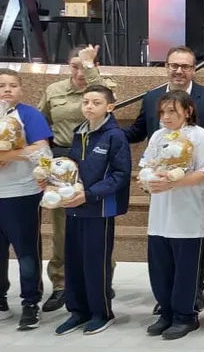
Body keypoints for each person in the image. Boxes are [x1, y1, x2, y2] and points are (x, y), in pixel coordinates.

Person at [124, 45, 204, 313]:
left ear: (193, 69)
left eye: (186, 66)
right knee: (162, 251)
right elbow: (139, 134)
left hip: (192, 189)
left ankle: (192, 295)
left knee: (192, 246)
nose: (179, 70)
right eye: (174, 65)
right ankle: (167, 303)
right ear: (166, 66)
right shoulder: (152, 98)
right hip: (160, 194)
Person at [37, 44, 113, 313]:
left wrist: (91, 66)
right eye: (74, 66)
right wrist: (45, 165)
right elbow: (39, 126)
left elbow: (108, 99)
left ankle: (102, 280)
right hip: (62, 164)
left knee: (97, 228)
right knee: (62, 228)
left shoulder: (102, 85)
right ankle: (61, 285)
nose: (80, 72)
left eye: (85, 65)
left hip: (95, 163)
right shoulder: (54, 91)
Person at [52, 85, 130, 336]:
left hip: (99, 210)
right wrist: (56, 184)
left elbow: (120, 175)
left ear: (110, 107)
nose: (89, 106)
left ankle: (101, 312)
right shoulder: (79, 132)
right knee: (73, 261)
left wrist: (89, 194)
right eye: (85, 102)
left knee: (95, 264)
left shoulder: (115, 136)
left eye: (96, 103)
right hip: (74, 207)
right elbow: (72, 170)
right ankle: (78, 311)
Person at [141, 91, 204, 340]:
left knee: (185, 270)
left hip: (188, 217)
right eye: (162, 112)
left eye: (172, 111)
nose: (166, 117)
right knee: (160, 269)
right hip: (159, 217)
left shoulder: (200, 136)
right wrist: (148, 181)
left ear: (188, 111)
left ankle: (186, 316)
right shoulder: (157, 136)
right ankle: (166, 313)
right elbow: (145, 166)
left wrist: (175, 182)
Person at [0, 68, 53, 330]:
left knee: (26, 252)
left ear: (21, 90)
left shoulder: (28, 115)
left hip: (21, 194)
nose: (7, 90)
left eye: (13, 85)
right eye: (2, 86)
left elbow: (41, 149)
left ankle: (30, 302)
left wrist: (8, 156)